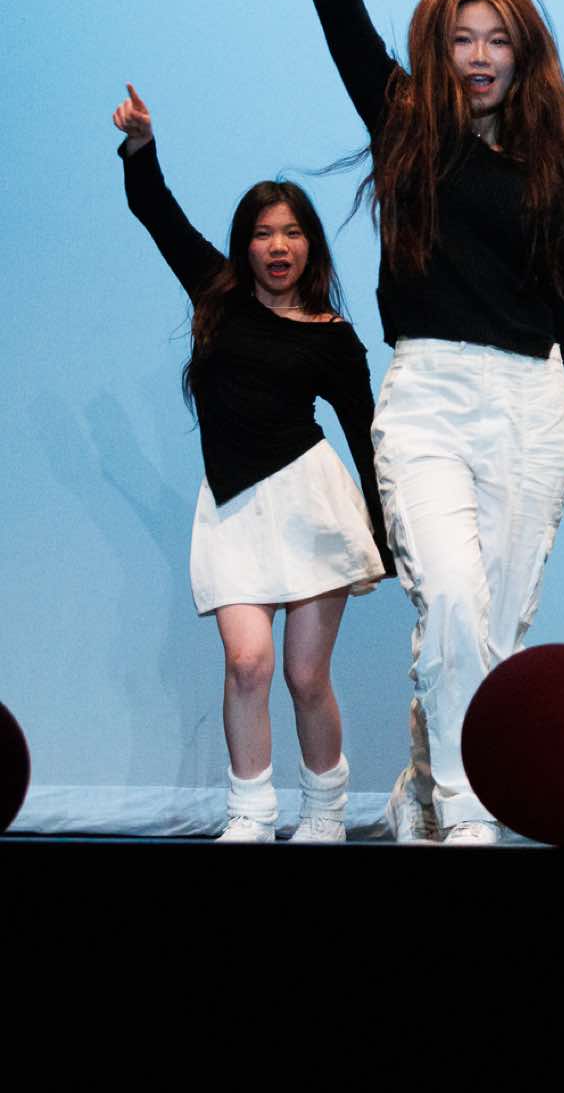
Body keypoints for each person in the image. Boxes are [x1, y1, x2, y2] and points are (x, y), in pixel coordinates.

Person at [286, 0, 564, 845]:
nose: (479, 55)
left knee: (495, 629)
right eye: (463, 39)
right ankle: (473, 813)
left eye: (497, 41)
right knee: (455, 604)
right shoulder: (405, 125)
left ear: (522, 55)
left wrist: (541, 378)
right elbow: (338, 9)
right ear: (440, 50)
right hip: (428, 392)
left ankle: (428, 787)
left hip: (532, 399)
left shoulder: (551, 156)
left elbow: (562, 297)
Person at [114, 84, 390, 843]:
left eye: (292, 232)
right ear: (245, 245)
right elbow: (156, 212)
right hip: (234, 505)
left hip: (312, 505)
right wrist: (140, 144)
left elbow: (364, 436)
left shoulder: (333, 336)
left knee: (305, 676)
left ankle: (325, 811)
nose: (278, 245)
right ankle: (250, 813)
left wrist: (387, 537)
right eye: (264, 232)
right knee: (247, 663)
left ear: (310, 247)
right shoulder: (218, 295)